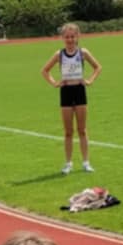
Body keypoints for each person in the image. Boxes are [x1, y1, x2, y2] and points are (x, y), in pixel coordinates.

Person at [41, 23, 102, 175]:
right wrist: (55, 83)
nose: (70, 40)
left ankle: (86, 162)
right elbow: (45, 71)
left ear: (77, 37)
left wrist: (90, 80)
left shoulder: (83, 53)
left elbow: (97, 67)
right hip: (66, 92)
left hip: (79, 91)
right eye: (67, 37)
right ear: (63, 38)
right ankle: (68, 163)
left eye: (72, 36)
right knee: (68, 131)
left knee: (82, 130)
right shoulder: (59, 55)